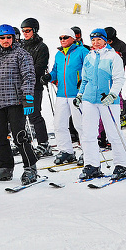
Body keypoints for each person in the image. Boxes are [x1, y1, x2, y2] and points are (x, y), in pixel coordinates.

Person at [0, 24, 38, 184]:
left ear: (13, 38)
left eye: (8, 37)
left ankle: (30, 167)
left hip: (15, 102)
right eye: (2, 38)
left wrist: (28, 98)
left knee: (20, 136)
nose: (5, 40)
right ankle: (5, 167)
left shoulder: (22, 55)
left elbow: (29, 77)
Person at [73, 28, 126, 181]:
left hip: (108, 101)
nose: (96, 43)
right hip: (89, 99)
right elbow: (84, 80)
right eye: (93, 40)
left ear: (105, 40)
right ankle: (92, 164)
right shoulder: (89, 57)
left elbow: (119, 79)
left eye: (99, 40)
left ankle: (121, 165)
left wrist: (112, 94)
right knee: (88, 133)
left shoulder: (113, 57)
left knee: (113, 133)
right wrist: (80, 95)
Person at [43, 29, 90, 165]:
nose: (62, 40)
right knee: (59, 124)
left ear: (73, 38)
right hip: (61, 94)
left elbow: (89, 69)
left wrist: (83, 79)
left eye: (65, 37)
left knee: (80, 125)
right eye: (60, 38)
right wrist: (49, 77)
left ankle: (88, 152)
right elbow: (55, 71)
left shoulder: (82, 51)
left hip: (77, 94)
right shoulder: (59, 54)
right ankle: (66, 151)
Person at [20, 18, 51, 156]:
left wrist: (24, 74)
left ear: (35, 30)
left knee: (34, 115)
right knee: (20, 115)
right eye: (23, 31)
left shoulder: (41, 47)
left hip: (34, 86)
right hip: (20, 86)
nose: (25, 33)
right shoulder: (21, 45)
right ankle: (23, 142)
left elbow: (39, 67)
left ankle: (44, 144)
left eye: (28, 31)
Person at [104, 26, 126, 128]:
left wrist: (119, 64)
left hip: (117, 73)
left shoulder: (121, 44)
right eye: (106, 40)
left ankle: (121, 114)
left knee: (117, 93)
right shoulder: (103, 44)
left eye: (110, 40)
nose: (108, 42)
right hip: (105, 73)